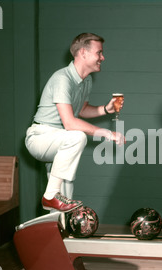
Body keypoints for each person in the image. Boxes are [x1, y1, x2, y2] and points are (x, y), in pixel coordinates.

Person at [25, 33, 125, 214]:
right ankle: (49, 197)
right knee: (77, 137)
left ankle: (56, 220)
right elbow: (70, 122)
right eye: (99, 53)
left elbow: (82, 110)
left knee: (65, 198)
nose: (103, 57)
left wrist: (106, 109)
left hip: (60, 141)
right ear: (83, 53)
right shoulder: (62, 78)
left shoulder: (86, 81)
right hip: (41, 137)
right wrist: (108, 134)